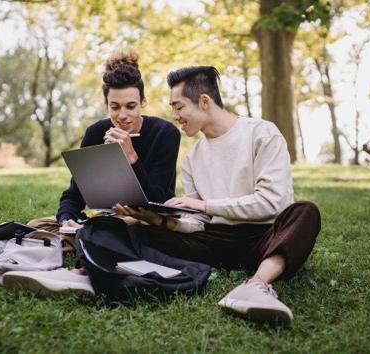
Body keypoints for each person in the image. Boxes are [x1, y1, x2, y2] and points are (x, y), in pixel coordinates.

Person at [112, 66, 321, 324]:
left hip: (266, 235)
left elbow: (272, 203)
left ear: (204, 101)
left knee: (305, 212)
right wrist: (158, 220)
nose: (175, 116)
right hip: (216, 241)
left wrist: (205, 205)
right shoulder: (191, 160)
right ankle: (94, 269)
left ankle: (256, 286)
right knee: (140, 230)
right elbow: (199, 223)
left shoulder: (262, 133)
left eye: (179, 107)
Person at [27, 49, 181, 250]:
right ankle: (72, 238)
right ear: (106, 104)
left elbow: (158, 200)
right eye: (115, 107)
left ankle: (70, 243)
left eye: (131, 106)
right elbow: (75, 193)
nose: (122, 115)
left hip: (145, 222)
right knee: (35, 225)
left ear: (143, 103)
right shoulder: (95, 133)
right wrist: (66, 220)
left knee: (121, 229)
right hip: (103, 217)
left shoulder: (165, 133)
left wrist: (131, 157)